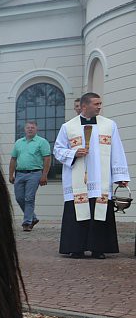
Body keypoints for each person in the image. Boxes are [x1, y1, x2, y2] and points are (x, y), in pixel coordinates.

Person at [53, 92, 130, 259]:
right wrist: (73, 153)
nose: (99, 106)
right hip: (77, 180)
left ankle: (98, 248)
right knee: (77, 213)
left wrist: (120, 176)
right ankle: (76, 247)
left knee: (100, 211)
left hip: (101, 179)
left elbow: (117, 150)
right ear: (84, 106)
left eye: (100, 103)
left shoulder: (109, 125)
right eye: (96, 104)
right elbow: (57, 150)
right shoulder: (68, 127)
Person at [8, 119, 51, 232]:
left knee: (29, 198)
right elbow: (13, 159)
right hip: (20, 174)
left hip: (35, 173)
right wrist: (11, 174)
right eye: (28, 127)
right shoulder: (19, 142)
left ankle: (27, 222)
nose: (30, 129)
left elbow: (47, 158)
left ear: (36, 129)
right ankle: (33, 218)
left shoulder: (42, 142)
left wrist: (44, 175)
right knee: (19, 198)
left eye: (32, 127)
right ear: (25, 129)